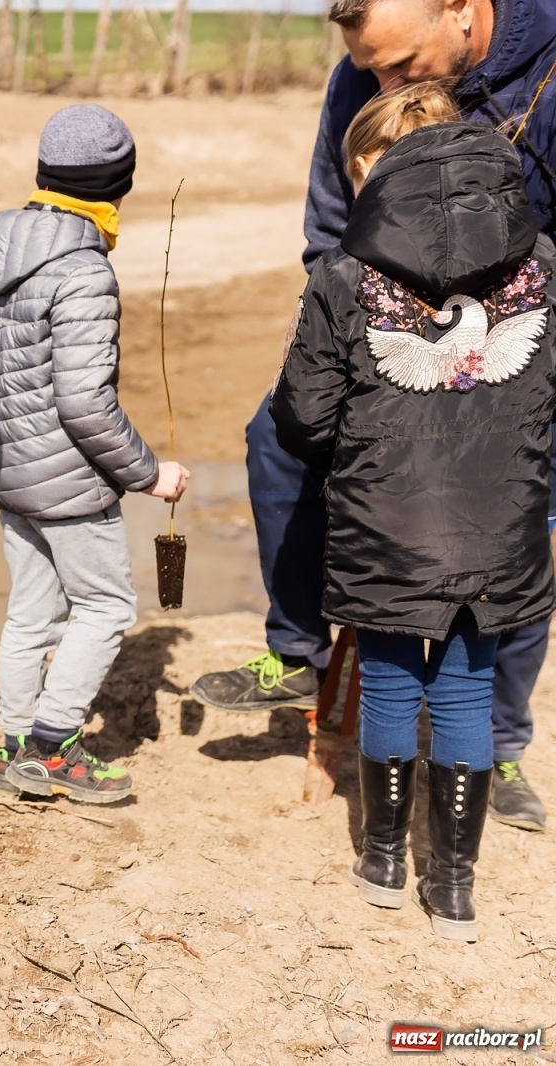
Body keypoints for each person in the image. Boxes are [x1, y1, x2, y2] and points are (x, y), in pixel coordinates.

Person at [188, 0, 556, 832]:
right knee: (277, 436)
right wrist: (349, 319)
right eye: (369, 67)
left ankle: (500, 739)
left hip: (519, 330)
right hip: (388, 315)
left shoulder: (548, 75)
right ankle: (297, 651)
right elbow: (330, 226)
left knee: (523, 521)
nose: (379, 82)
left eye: (398, 65)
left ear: (463, 12)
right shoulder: (363, 71)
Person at [272, 89, 555, 942]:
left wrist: (355, 463)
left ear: (379, 172)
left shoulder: (343, 276)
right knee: (467, 688)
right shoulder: (541, 263)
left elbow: (302, 416)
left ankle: (386, 863)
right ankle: (456, 888)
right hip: (500, 524)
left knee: (393, 683)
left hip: (386, 520)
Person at [0, 105, 190, 806]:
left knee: (33, 613)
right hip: (68, 484)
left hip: (8, 472)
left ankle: (14, 743)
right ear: (115, 189)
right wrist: (150, 473)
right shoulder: (84, 268)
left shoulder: (0, 247)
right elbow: (86, 404)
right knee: (106, 605)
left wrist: (22, 440)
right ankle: (52, 747)